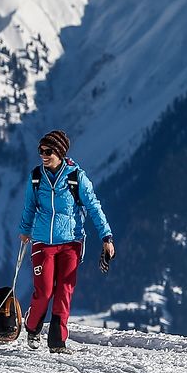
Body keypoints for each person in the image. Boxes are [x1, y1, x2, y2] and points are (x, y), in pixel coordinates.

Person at [19, 129, 115, 354]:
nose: (43, 155)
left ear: (60, 152)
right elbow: (29, 206)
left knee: (65, 290)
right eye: (40, 150)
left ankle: (57, 341)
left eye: (48, 151)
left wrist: (106, 237)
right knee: (43, 291)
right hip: (42, 242)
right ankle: (32, 328)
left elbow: (94, 207)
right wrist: (24, 230)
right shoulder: (36, 177)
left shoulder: (76, 177)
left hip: (71, 242)